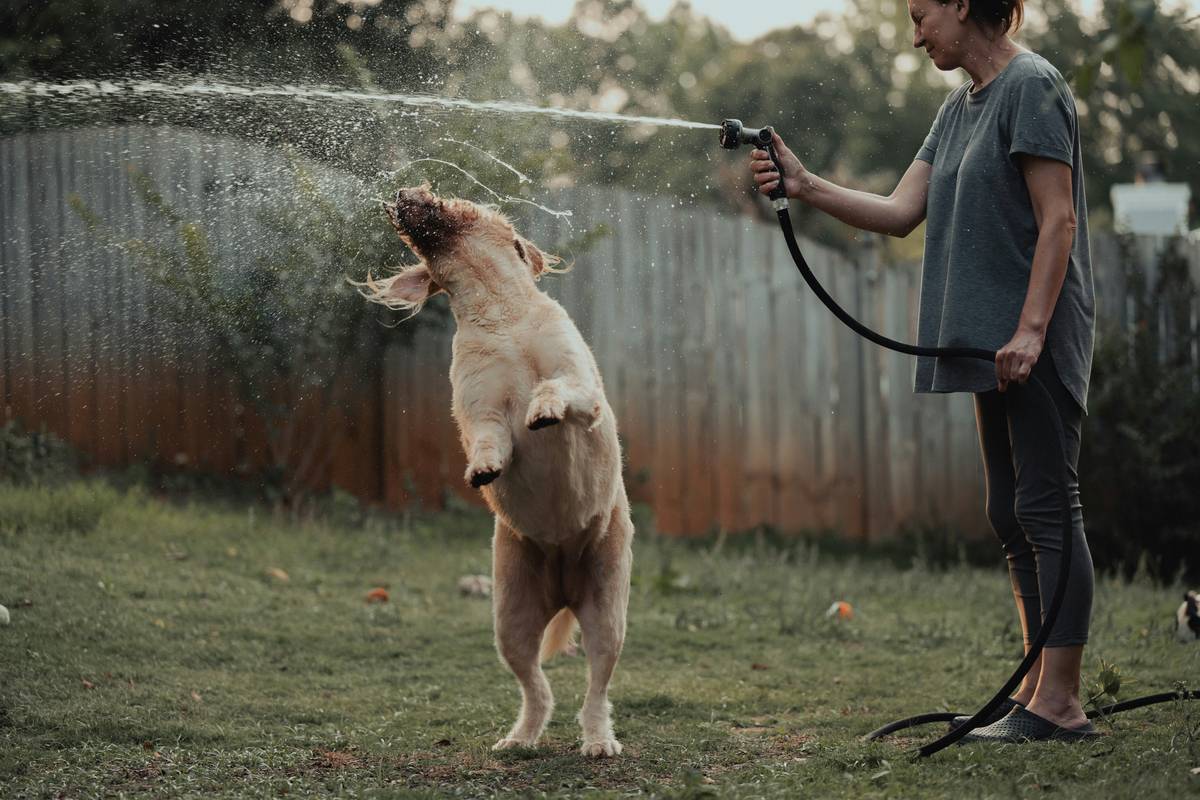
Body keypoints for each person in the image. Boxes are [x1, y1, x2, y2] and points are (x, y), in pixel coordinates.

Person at [749, 0, 1098, 742]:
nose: (914, 36)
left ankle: (1062, 702)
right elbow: (902, 209)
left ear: (964, 5)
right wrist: (804, 185)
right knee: (1010, 513)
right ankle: (1036, 688)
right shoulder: (958, 108)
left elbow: (1058, 218)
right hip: (986, 346)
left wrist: (1032, 329)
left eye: (920, 15)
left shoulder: (1033, 85)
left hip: (1032, 338)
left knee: (1045, 505)